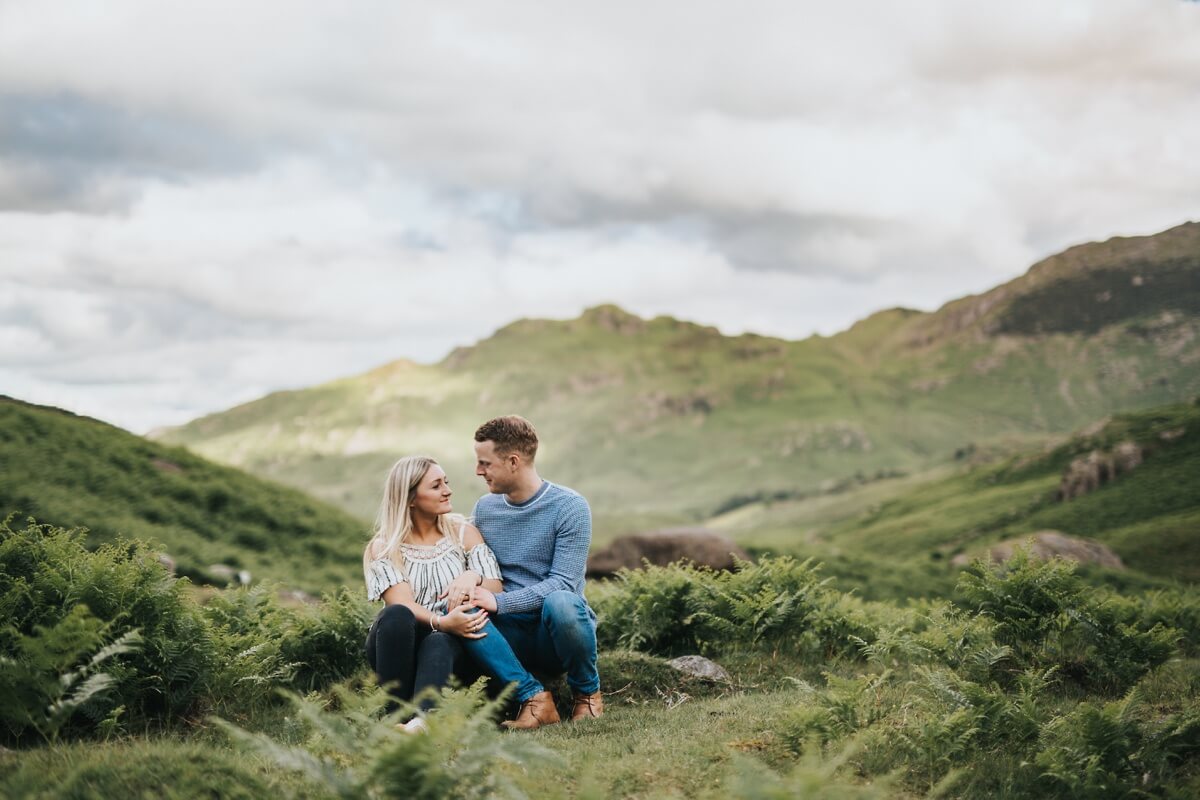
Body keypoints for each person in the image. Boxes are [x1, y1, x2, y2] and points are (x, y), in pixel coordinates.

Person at [363, 455, 547, 732]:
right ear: (411, 498)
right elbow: (400, 603)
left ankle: (422, 723)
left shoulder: (464, 533)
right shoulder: (385, 546)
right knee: (397, 615)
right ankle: (395, 717)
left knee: (440, 641)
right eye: (436, 486)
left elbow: (495, 588)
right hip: (400, 646)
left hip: (453, 648)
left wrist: (471, 575)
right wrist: (441, 621)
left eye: (446, 482)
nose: (447, 490)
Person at [469, 415, 602, 730]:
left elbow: (564, 583)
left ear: (513, 461)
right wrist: (468, 578)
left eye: (485, 463)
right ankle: (534, 698)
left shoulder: (570, 507)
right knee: (466, 608)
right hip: (507, 636)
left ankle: (587, 693)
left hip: (553, 633)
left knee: (562, 601)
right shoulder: (485, 509)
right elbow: (468, 555)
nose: (478, 471)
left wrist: (500, 602)